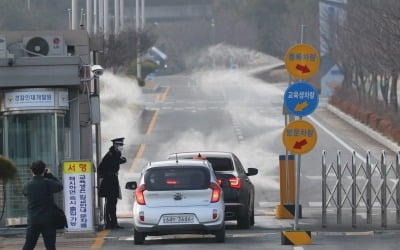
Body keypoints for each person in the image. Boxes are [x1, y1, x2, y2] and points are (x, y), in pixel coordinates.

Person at [22, 160, 63, 250]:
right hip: (48, 220)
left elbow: (24, 193)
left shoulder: (27, 185)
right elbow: (60, 186)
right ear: (44, 170)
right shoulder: (47, 182)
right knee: (50, 246)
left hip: (33, 220)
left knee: (28, 245)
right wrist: (50, 175)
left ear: (31, 171)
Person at [98, 137, 127, 229]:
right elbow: (101, 167)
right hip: (108, 180)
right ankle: (108, 223)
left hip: (113, 179)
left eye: (122, 145)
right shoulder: (110, 155)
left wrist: (121, 160)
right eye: (120, 145)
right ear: (115, 145)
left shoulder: (117, 154)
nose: (121, 147)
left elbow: (116, 163)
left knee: (113, 202)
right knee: (109, 203)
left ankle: (114, 223)